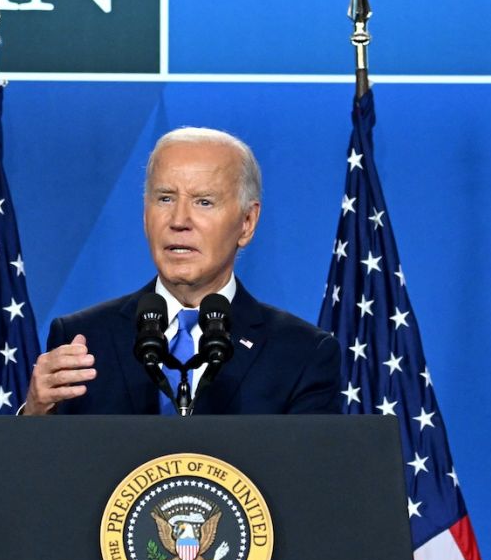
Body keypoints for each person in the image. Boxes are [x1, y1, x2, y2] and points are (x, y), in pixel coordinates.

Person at [23, 127, 341, 415]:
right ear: (145, 215)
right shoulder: (85, 342)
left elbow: (313, 475)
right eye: (165, 198)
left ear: (247, 222)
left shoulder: (301, 354)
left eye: (203, 202)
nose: (178, 221)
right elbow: (41, 471)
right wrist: (35, 415)